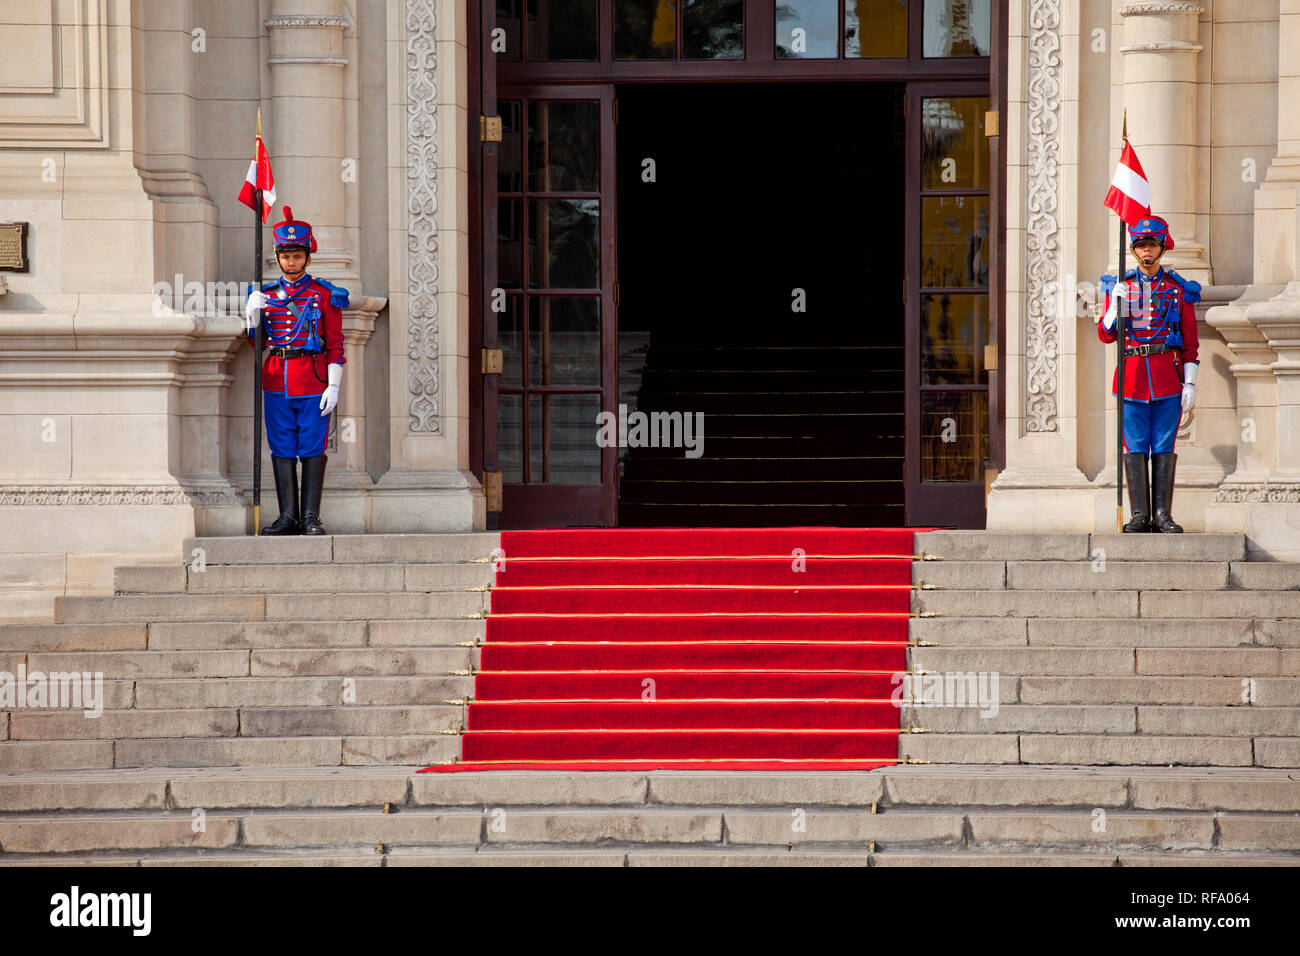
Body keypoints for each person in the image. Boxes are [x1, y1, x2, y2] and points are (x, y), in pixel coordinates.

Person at [244, 207, 349, 535]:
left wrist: (334, 385)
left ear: (307, 257)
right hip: (276, 379)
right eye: (286, 256)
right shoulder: (265, 296)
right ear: (277, 257)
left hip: (314, 381)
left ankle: (311, 518)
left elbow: (335, 344)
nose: (292, 262)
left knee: (313, 448)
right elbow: (257, 344)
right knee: (282, 447)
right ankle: (288, 517)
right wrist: (252, 316)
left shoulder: (325, 295)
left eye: (298, 256)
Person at [1098, 215, 1199, 533]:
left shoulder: (1178, 291)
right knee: (1136, 445)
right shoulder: (1123, 288)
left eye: (1151, 245)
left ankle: (1163, 514)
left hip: (1167, 379)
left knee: (1165, 445)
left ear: (1163, 248)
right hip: (1131, 379)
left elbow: (1191, 344)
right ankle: (1140, 515)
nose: (1146, 251)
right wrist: (1114, 307)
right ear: (1133, 250)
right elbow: (1106, 334)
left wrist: (1191, 382)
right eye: (1140, 245)